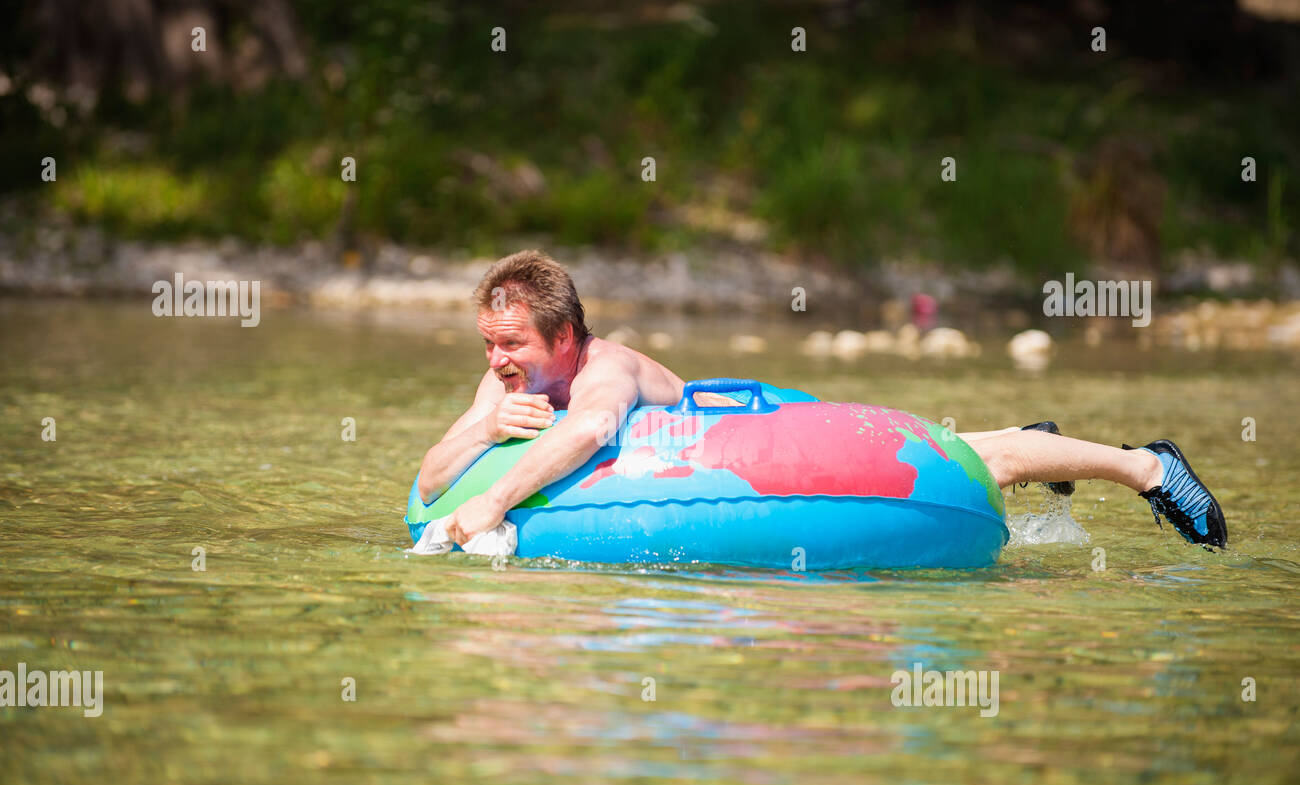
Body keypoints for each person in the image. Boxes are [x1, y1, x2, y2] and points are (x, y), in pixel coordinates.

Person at [421, 251, 1226, 550]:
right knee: (990, 447)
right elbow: (427, 482)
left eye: (513, 343)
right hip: (720, 451)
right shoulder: (505, 381)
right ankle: (1027, 437)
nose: (497, 358)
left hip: (758, 431)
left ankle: (1147, 465)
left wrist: (495, 497)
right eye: (489, 343)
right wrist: (486, 427)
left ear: (563, 335)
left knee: (977, 458)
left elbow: (596, 429)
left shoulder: (607, 369)